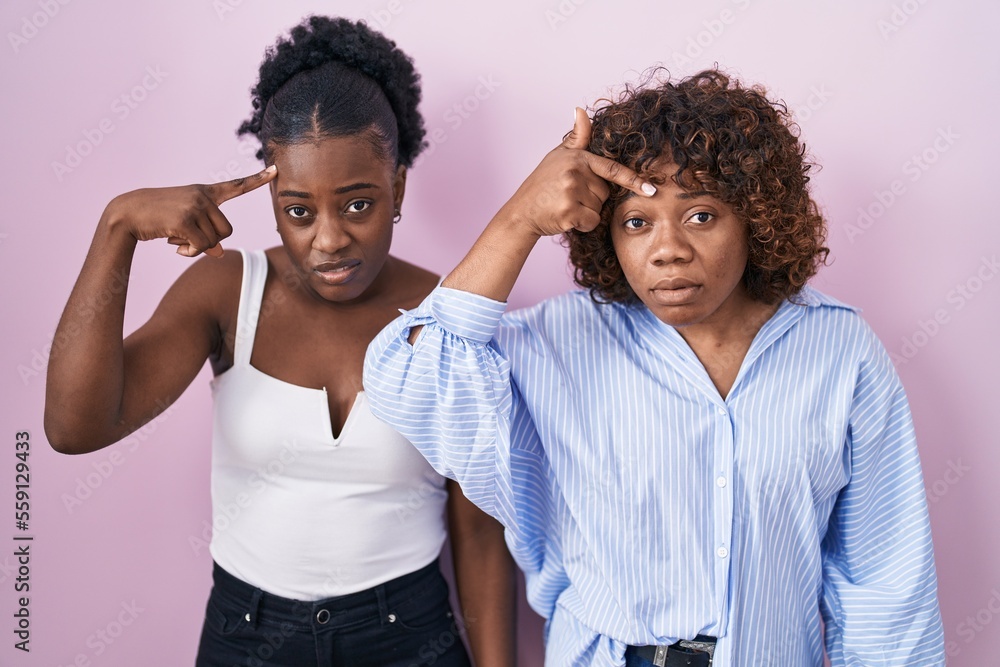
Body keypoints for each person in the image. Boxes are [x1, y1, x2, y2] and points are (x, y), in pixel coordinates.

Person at [364, 69, 944, 666]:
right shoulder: (556, 342)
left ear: (756, 217)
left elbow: (886, 587)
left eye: (701, 216)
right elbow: (407, 381)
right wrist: (519, 220)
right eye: (637, 222)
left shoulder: (840, 351)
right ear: (606, 235)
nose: (668, 249)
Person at [44, 16, 516, 667]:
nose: (328, 239)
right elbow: (75, 426)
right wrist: (117, 225)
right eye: (299, 210)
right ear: (270, 194)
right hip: (246, 637)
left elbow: (479, 528)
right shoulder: (224, 292)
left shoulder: (446, 313)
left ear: (398, 186)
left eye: (357, 204)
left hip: (409, 634)